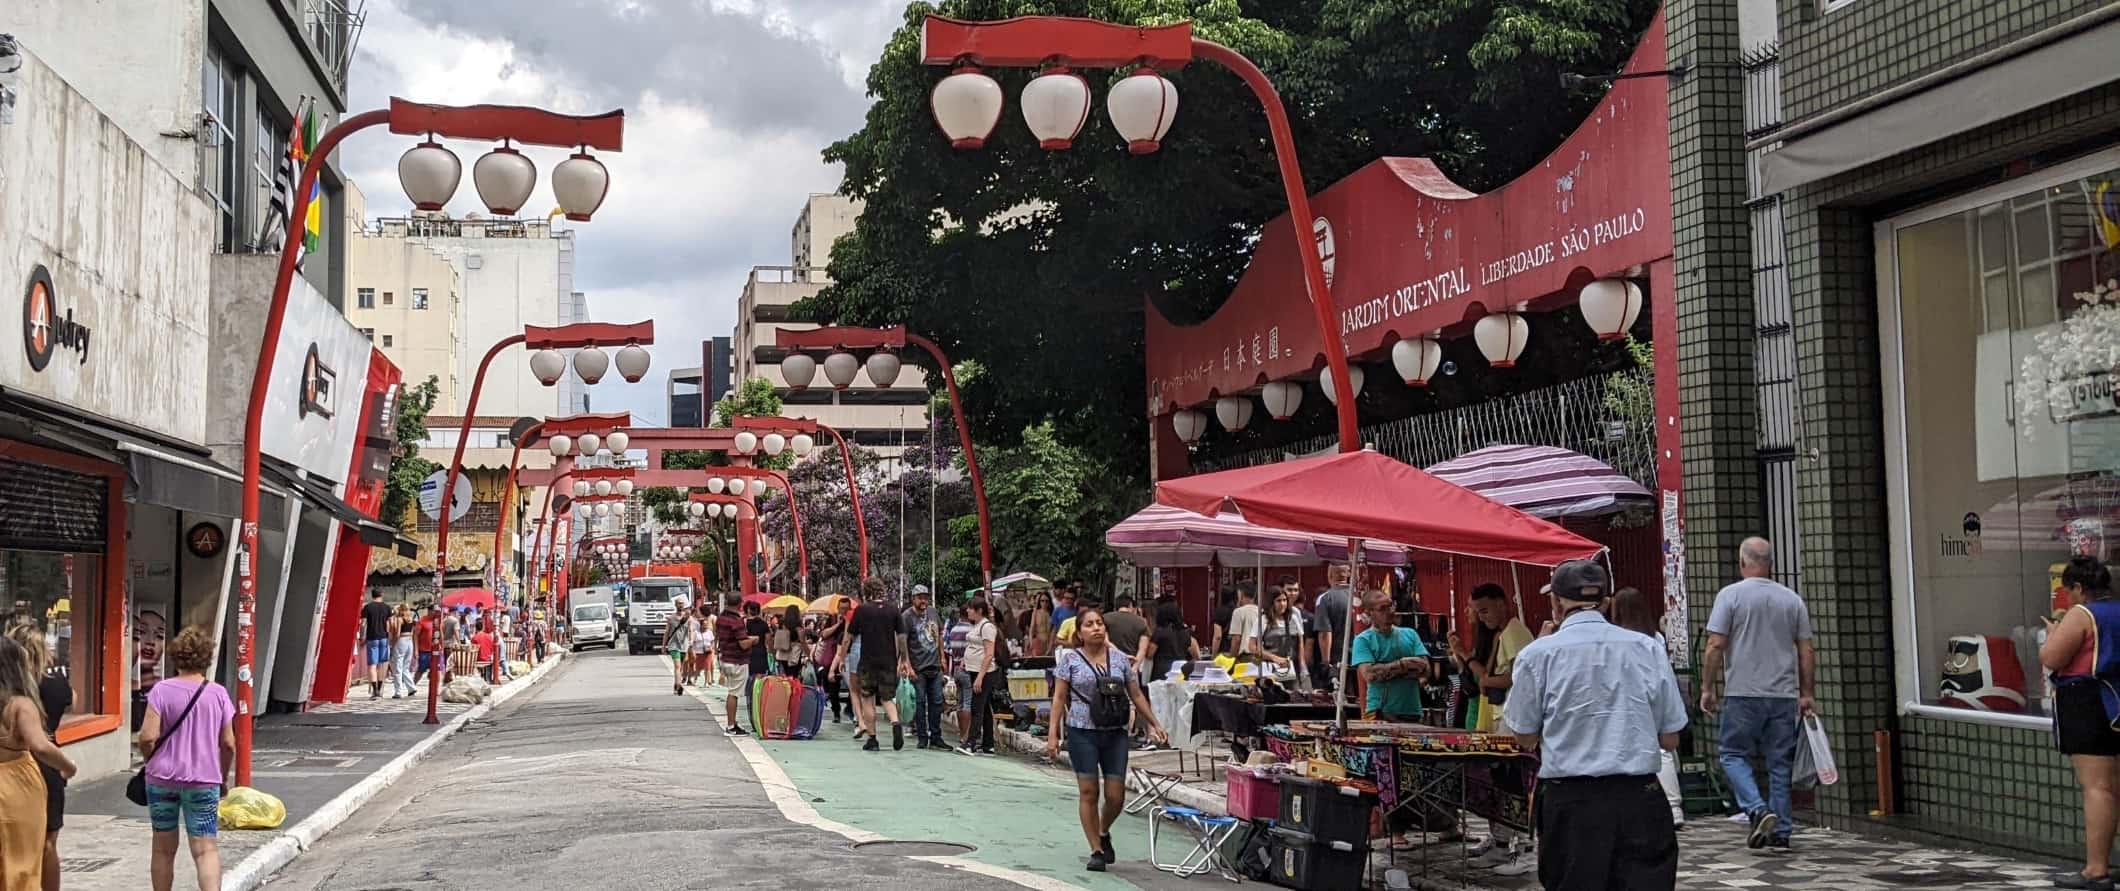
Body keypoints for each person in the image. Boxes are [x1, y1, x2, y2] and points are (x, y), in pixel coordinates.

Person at [1503, 560, 1686, 891]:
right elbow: (1670, 737)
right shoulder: (1646, 647)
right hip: (1639, 798)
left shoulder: (1537, 655)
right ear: (1606, 602)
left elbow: (1524, 735)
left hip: (1571, 801)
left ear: (1556, 603)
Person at [1699, 536, 1814, 851]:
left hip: (1743, 693)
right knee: (1780, 763)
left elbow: (1715, 645)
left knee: (1732, 753)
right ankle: (1781, 830)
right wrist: (1806, 694)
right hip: (1783, 694)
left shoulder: (1730, 596)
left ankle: (1756, 808)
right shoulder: (1792, 599)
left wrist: (1708, 687)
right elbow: (1806, 650)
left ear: (1742, 563)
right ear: (1771, 565)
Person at [1047, 608, 1167, 872]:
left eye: (1099, 623)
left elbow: (1135, 694)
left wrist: (1154, 723)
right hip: (1082, 731)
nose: (1096, 628)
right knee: (1089, 791)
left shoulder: (1120, 660)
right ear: (1079, 633)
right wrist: (1053, 733)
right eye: (1089, 625)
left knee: (1116, 795)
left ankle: (1103, 829)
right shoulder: (1070, 660)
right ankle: (1096, 850)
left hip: (1115, 731)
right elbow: (1058, 698)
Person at [2040, 556, 2118, 890]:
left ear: (2080, 588)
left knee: (2097, 788)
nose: (2067, 597)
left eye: (2068, 590)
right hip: (2115, 700)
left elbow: (2052, 658)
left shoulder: (2081, 615)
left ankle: (2095, 870)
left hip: (2086, 702)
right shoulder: (2117, 611)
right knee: (2115, 786)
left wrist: (2053, 634)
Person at [139, 626, 236, 891]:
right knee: (205, 850)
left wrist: (153, 761)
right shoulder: (218, 694)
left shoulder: (160, 691)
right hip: (204, 781)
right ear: (206, 658)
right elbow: (228, 744)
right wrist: (223, 777)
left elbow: (146, 737)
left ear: (176, 656)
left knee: (162, 848)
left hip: (162, 780)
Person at [1607, 587, 1687, 831]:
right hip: (1653, 695)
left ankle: (1666, 805)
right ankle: (1674, 805)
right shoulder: (1655, 637)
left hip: (1627, 698)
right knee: (1661, 749)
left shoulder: (1616, 637)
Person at [3, 627, 73, 891]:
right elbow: (72, 701)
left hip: (14, 768)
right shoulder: (53, 684)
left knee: (13, 844)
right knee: (47, 843)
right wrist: (68, 767)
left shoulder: (11, 695)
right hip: (41, 769)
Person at [843, 578, 911, 751]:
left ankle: (872, 739)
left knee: (867, 698)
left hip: (867, 661)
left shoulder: (862, 610)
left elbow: (848, 637)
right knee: (887, 697)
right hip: (888, 661)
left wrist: (842, 656)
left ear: (866, 592)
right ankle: (896, 723)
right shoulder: (893, 610)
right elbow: (902, 637)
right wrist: (904, 660)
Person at [901, 585, 946, 750]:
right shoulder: (907, 617)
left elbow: (939, 634)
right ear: (913, 599)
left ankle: (936, 736)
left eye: (925, 597)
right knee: (919, 703)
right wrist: (907, 665)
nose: (923, 601)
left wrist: (942, 656)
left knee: (937, 702)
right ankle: (922, 736)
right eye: (920, 597)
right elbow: (903, 641)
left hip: (934, 665)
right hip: (918, 667)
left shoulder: (933, 613)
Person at [957, 598, 1001, 756]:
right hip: (974, 669)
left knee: (977, 708)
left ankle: (971, 742)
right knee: (986, 708)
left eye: (971, 608)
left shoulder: (987, 627)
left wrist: (980, 677)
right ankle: (988, 744)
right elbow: (973, 646)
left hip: (986, 672)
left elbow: (989, 654)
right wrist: (965, 660)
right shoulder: (976, 626)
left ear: (979, 610)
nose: (968, 611)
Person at [713, 593, 756, 736]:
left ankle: (733, 723)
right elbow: (743, 644)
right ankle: (731, 726)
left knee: (732, 692)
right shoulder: (736, 621)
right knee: (734, 694)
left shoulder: (721, 618)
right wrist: (753, 640)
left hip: (726, 657)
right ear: (740, 604)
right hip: (737, 660)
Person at [1312, 567, 1354, 692]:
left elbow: (1325, 633)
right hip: (1362, 658)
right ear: (1347, 575)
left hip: (1338, 660)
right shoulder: (1360, 596)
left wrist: (1326, 662)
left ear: (1329, 575)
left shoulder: (1325, 598)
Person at [1254, 588, 1306, 682]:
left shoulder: (1293, 618)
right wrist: (1274, 658)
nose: (1282, 604)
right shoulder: (1263, 620)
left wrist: (1302, 664)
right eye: (1278, 601)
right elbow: (1252, 646)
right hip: (1270, 669)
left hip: (1292, 668)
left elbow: (1300, 642)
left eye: (1284, 600)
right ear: (1271, 602)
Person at [1140, 602, 1200, 683]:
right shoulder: (1187, 632)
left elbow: (1150, 654)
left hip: (1161, 673)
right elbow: (1196, 655)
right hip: (1181, 672)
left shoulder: (1159, 632)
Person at [816, 599, 849, 723]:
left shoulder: (852, 620)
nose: (844, 611)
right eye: (842, 608)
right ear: (838, 608)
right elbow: (823, 634)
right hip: (832, 656)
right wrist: (838, 624)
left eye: (847, 608)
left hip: (847, 656)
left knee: (853, 686)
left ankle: (850, 708)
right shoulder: (833, 619)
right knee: (833, 687)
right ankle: (836, 712)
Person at [945, 605, 974, 744]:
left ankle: (962, 734)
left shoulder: (953, 630)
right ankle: (966, 735)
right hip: (968, 669)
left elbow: (950, 649)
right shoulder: (972, 631)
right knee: (968, 703)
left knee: (960, 703)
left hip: (956, 669)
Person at [359, 591, 392, 699]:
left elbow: (363, 624)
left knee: (372, 665)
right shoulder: (387, 607)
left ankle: (375, 691)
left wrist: (362, 637)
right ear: (381, 595)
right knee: (382, 664)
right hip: (384, 638)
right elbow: (389, 624)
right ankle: (381, 688)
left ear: (372, 596)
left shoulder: (367, 607)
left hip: (372, 638)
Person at [1225, 587, 1262, 665]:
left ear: (1241, 595)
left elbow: (1236, 639)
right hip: (1262, 657)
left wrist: (1231, 660)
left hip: (1245, 657)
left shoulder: (1238, 612)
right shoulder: (1262, 611)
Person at [388, 603, 416, 698]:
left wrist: (392, 643)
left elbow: (397, 633)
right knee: (405, 667)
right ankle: (411, 687)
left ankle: (398, 692)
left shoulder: (400, 619)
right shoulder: (411, 619)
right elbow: (412, 632)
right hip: (409, 641)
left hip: (401, 641)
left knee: (398, 667)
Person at [774, 605, 807, 679]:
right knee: (793, 677)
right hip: (794, 655)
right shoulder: (798, 627)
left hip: (782, 654)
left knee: (785, 676)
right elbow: (803, 642)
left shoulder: (782, 625)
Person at [1210, 587, 1238, 656]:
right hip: (1237, 651)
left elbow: (1218, 636)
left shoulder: (1220, 611)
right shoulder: (1238, 611)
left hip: (1224, 652)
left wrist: (1213, 655)